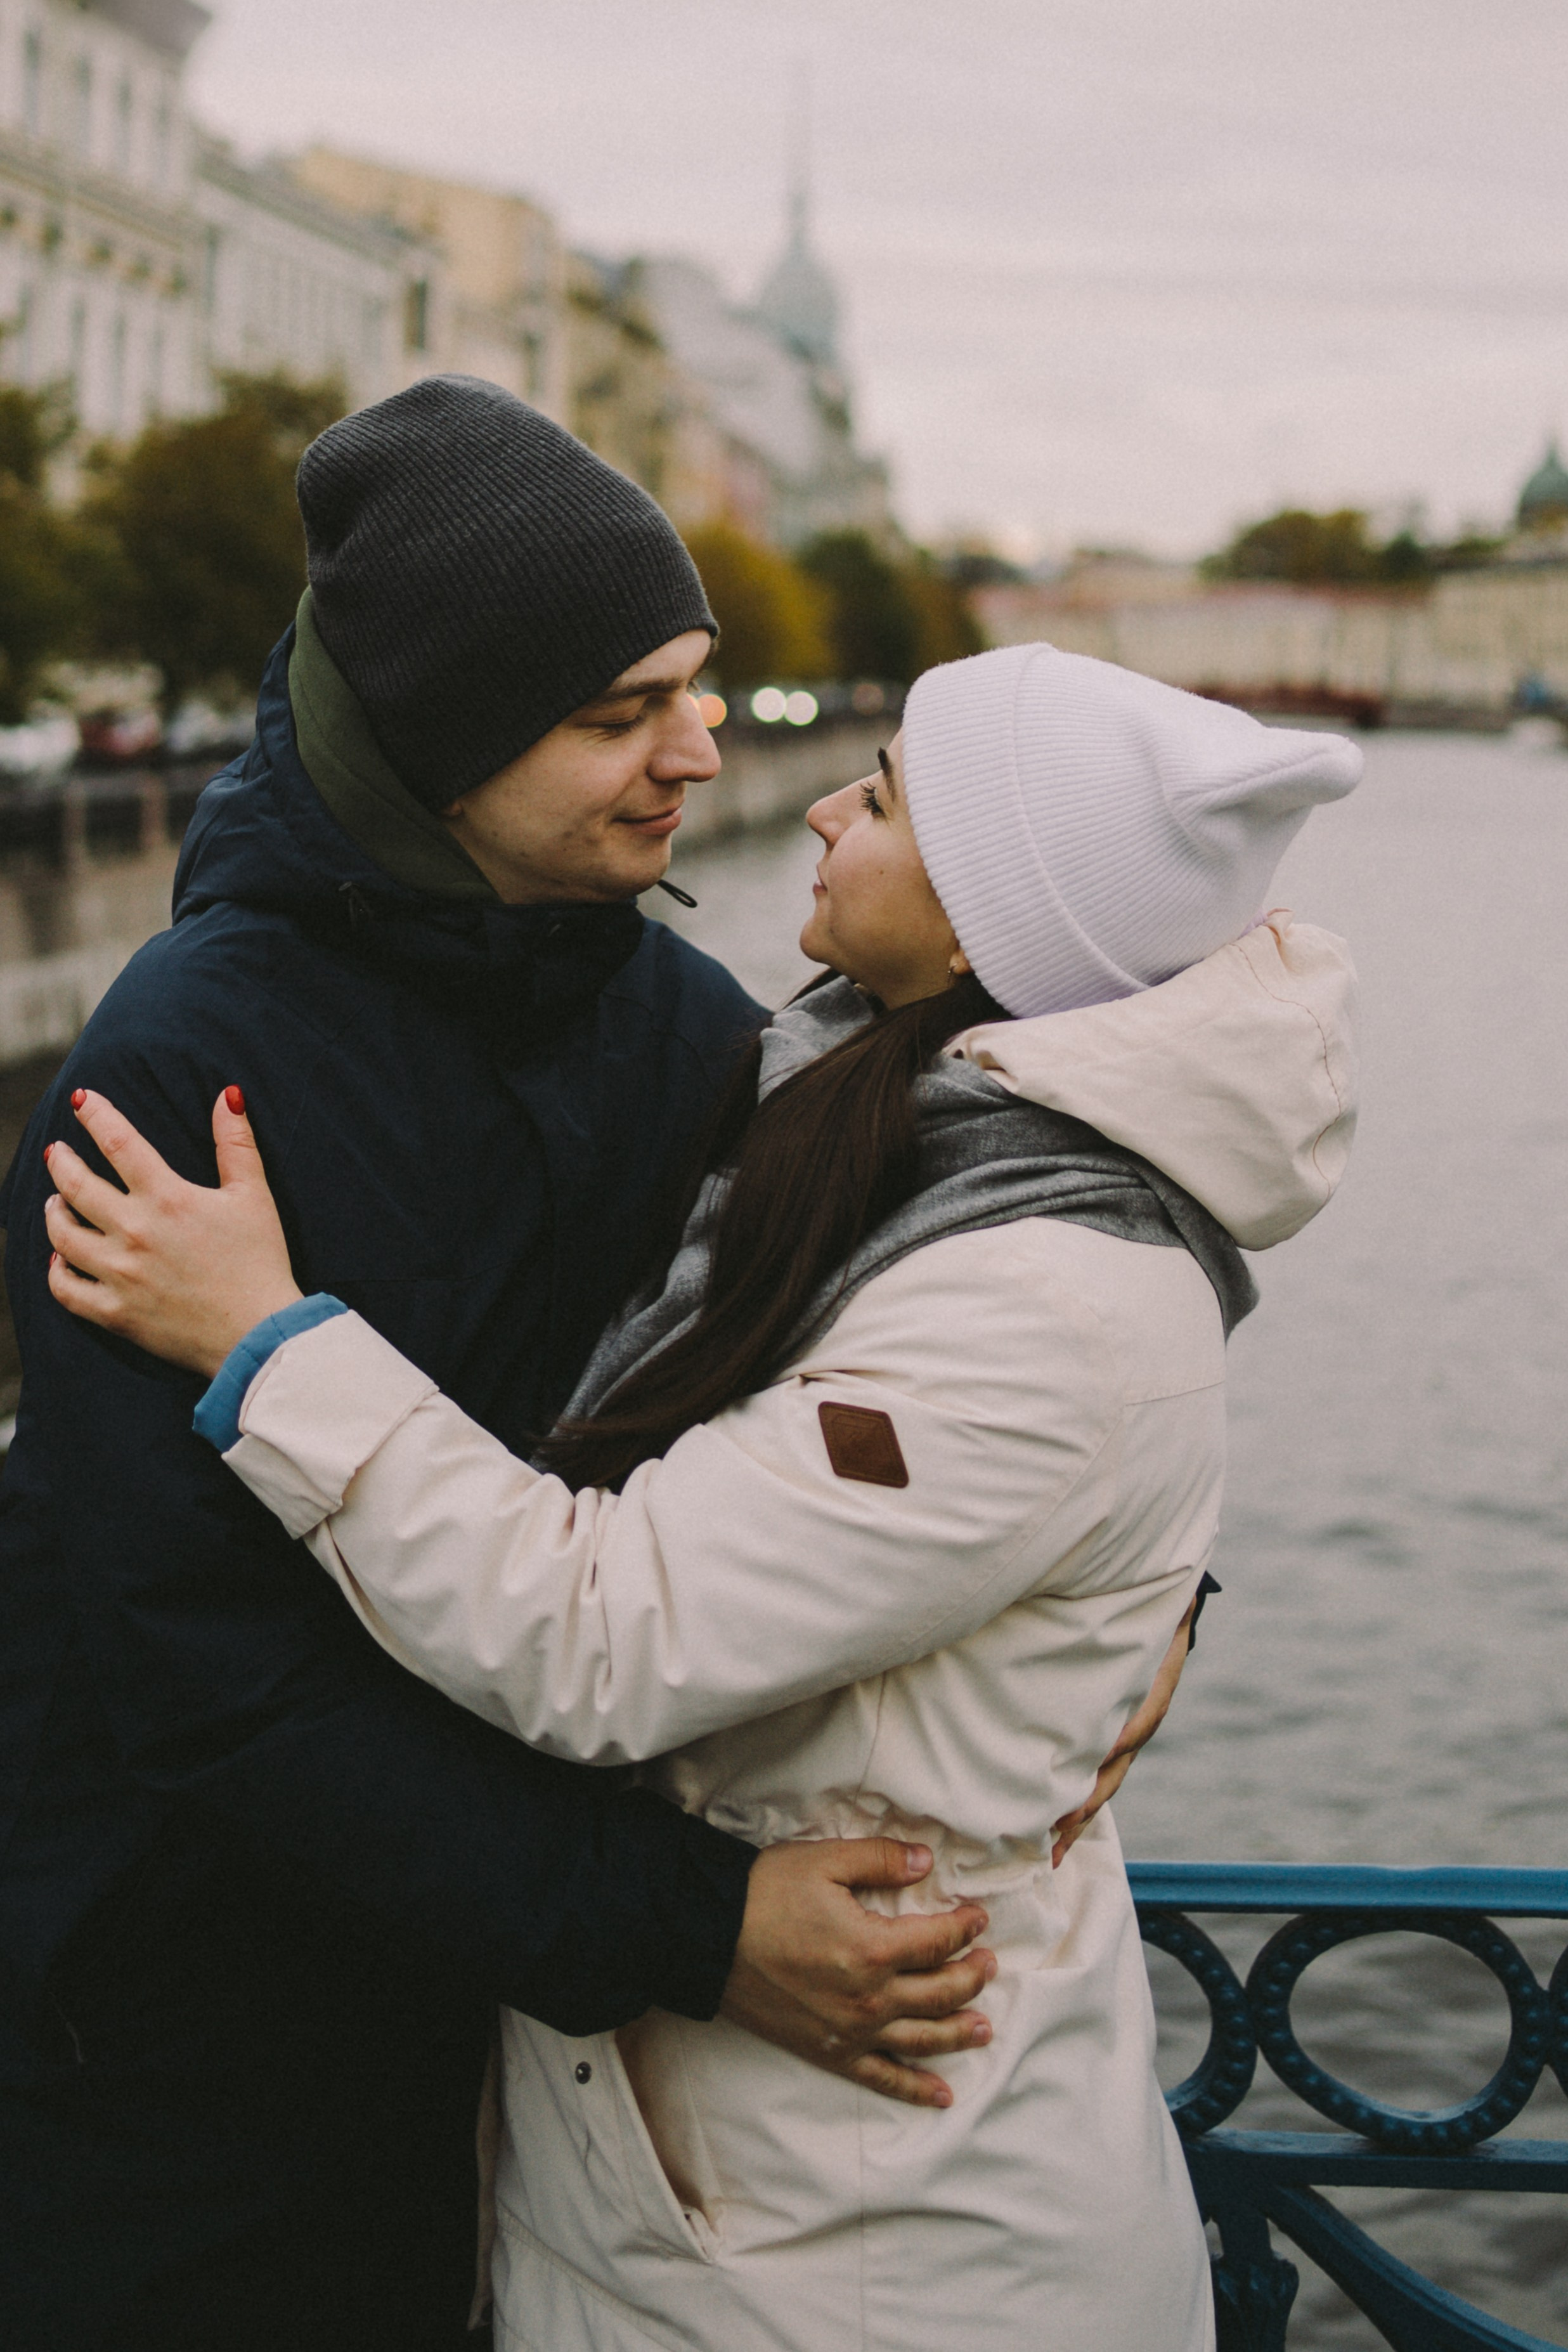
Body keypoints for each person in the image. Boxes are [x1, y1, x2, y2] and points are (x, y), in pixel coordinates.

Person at [45, 641, 1361, 2350]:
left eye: (878, 797)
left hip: (853, 2222)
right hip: (715, 2162)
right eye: (617, 709)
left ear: (984, 928)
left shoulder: (1012, 1262)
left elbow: (605, 1631)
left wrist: (270, 1343)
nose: (790, 789)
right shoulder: (846, 1093)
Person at [0, 378, 997, 2352]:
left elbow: (917, 1363)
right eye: (620, 712)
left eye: (695, 687)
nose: (702, 748)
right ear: (441, 748)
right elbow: (193, 1662)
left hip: (508, 1997)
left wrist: (1127, 1590)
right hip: (181, 2024)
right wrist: (684, 1930)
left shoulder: (685, 1017)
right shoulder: (181, 1064)